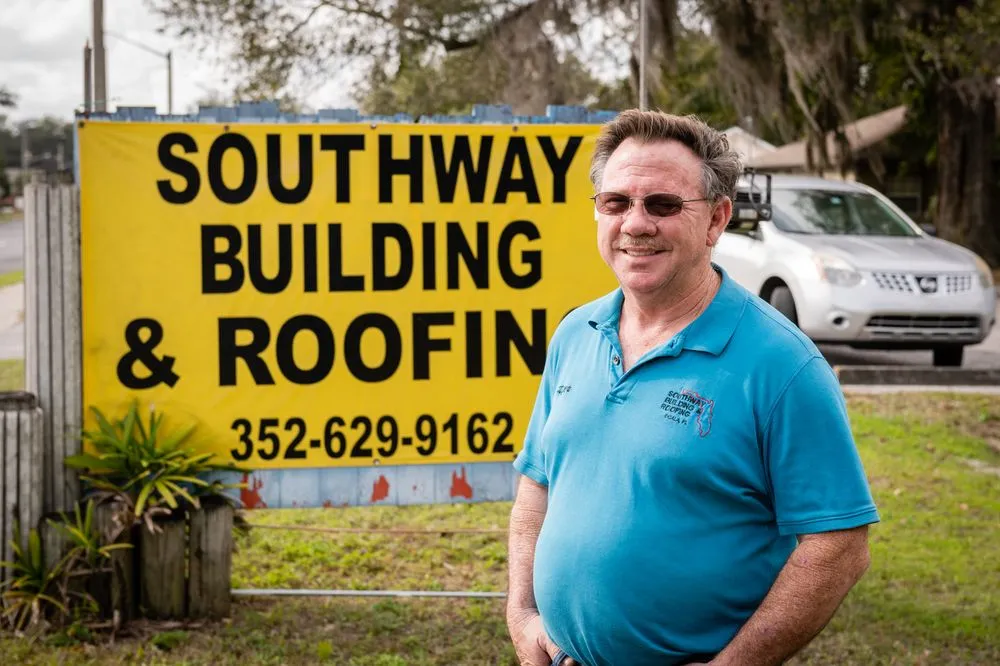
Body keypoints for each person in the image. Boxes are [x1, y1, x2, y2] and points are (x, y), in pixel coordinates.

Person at [505, 109, 880, 666]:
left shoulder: (781, 363)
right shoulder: (574, 333)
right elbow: (537, 488)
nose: (635, 223)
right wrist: (522, 615)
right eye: (616, 203)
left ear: (716, 220)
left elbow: (840, 546)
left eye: (662, 204)